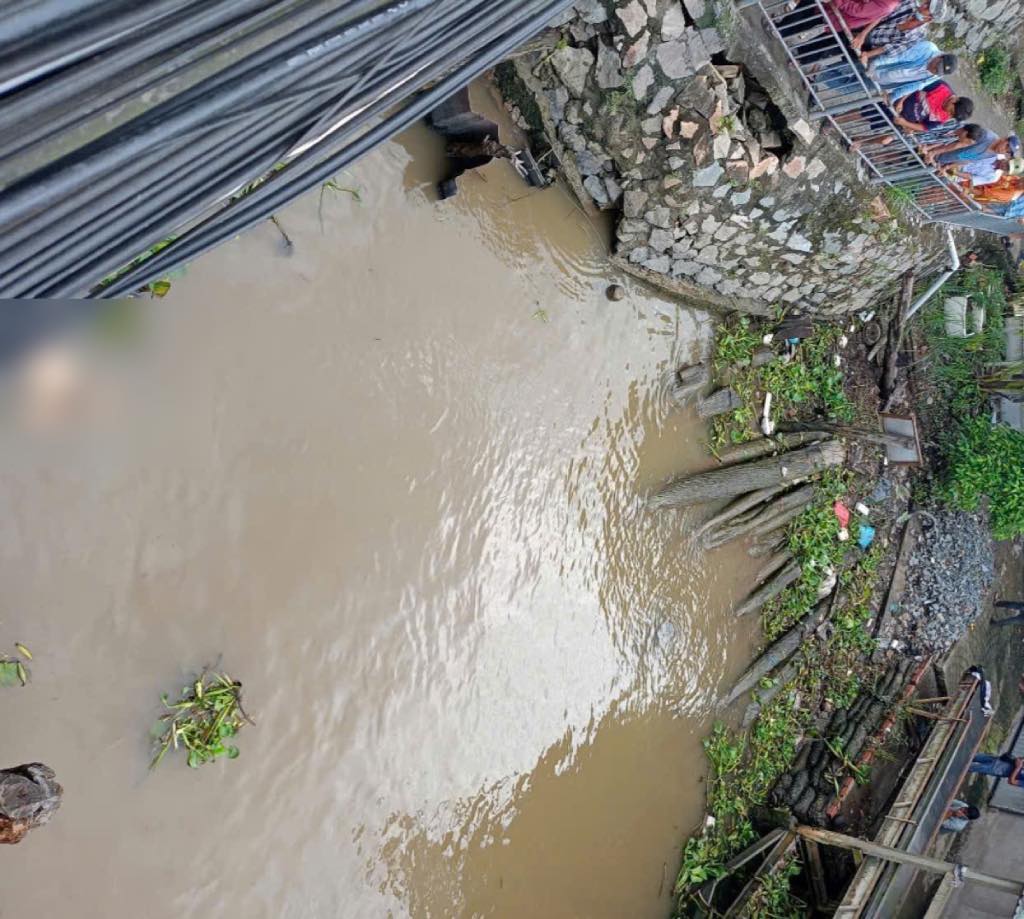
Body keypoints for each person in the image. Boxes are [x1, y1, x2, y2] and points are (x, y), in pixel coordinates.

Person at [867, 41, 957, 101]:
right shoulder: (927, 48)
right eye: (937, 66)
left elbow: (915, 86)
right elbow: (899, 56)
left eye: (937, 72)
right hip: (876, 67)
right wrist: (875, 63)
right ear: (940, 56)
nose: (934, 71)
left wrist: (893, 96)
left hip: (882, 83)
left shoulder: (936, 75)